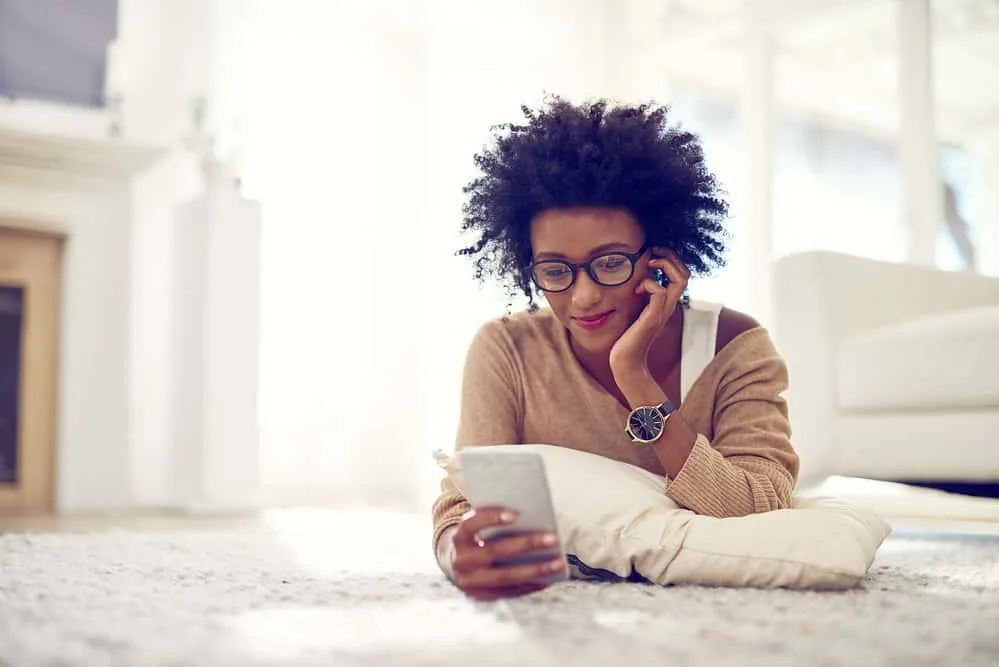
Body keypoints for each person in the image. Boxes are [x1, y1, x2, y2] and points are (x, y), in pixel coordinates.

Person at [432, 96, 800, 601]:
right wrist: (459, 553)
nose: (582, 297)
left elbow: (758, 508)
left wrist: (632, 373)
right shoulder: (507, 348)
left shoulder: (735, 348)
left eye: (609, 264)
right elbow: (461, 505)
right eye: (555, 271)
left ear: (661, 258)